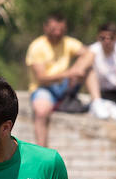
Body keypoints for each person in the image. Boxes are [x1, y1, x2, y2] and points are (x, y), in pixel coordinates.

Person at [26, 12, 93, 147]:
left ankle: (97, 101)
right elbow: (42, 78)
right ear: (45, 28)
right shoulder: (37, 46)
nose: (57, 33)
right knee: (41, 111)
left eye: (61, 30)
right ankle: (42, 150)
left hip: (65, 85)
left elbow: (90, 53)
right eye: (53, 29)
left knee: (89, 67)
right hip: (43, 88)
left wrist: (78, 68)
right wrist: (69, 73)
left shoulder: (67, 42)